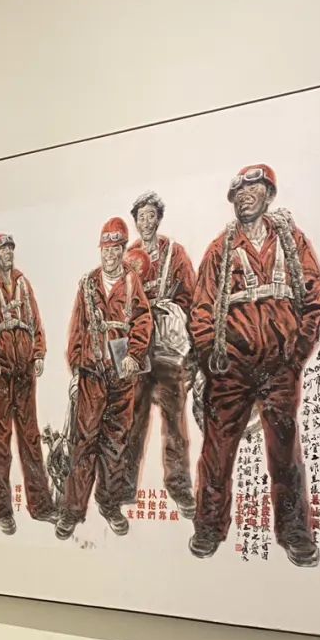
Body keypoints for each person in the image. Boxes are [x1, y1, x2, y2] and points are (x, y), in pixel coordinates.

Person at [189, 165, 320, 565]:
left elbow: (315, 297)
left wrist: (297, 352)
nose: (246, 196)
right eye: (239, 191)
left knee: (284, 452)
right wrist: (211, 358)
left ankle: (294, 531)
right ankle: (209, 526)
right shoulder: (220, 249)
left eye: (254, 189)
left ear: (269, 195)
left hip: (279, 366)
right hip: (230, 369)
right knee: (216, 452)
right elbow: (201, 309)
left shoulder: (292, 241)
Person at [56, 218, 153, 540]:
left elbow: (143, 322)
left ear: (123, 250)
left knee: (116, 443)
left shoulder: (132, 283)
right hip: (92, 374)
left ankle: (109, 505)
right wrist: (76, 370)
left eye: (115, 249)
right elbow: (77, 329)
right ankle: (73, 510)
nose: (110, 255)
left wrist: (134, 355)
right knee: (83, 443)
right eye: (105, 249)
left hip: (122, 376)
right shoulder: (87, 284)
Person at [123, 190, 198, 517]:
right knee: (131, 420)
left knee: (174, 423)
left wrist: (191, 348)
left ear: (159, 219)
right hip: (137, 351)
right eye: (141, 217)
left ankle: (179, 487)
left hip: (169, 349)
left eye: (151, 215)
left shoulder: (175, 254)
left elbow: (191, 297)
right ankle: (124, 486)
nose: (146, 222)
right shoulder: (127, 257)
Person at [0, 233, 56, 533]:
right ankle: (1, 511)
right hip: (0, 376)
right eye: (3, 251)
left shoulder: (24, 285)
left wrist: (38, 354)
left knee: (31, 439)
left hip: (25, 373)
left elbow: (36, 322)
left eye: (10, 249)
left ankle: (41, 506)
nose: (8, 254)